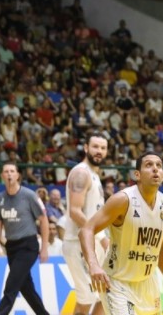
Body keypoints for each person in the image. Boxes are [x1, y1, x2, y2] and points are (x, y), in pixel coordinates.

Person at [79, 152, 163, 315]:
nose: (155, 169)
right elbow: (86, 229)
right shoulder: (123, 200)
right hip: (117, 282)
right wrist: (93, 264)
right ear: (137, 174)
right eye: (149, 165)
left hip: (148, 282)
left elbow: (162, 245)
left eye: (159, 165)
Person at [0, 162, 50, 315]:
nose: (9, 174)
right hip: (11, 247)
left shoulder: (29, 195)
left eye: (12, 171)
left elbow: (43, 220)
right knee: (26, 288)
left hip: (28, 246)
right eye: (6, 172)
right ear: (2, 176)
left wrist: (44, 248)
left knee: (11, 287)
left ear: (17, 175)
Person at [63, 132, 110, 315]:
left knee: (105, 295)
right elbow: (75, 212)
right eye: (95, 146)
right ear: (86, 148)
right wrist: (100, 237)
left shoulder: (94, 175)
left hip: (92, 242)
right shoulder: (81, 173)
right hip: (78, 244)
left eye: (103, 148)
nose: (99, 151)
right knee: (85, 302)